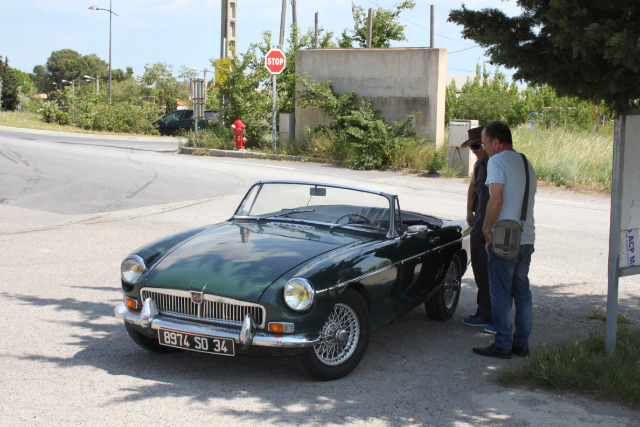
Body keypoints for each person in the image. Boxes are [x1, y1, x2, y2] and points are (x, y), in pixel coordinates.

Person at [473, 121, 536, 359]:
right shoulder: (526, 162)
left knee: (499, 291)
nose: (484, 148)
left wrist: (487, 228)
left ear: (496, 142)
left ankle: (502, 344)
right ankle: (521, 345)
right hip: (527, 234)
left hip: (505, 236)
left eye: (485, 142)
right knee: (522, 292)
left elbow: (495, 199)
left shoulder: (497, 161)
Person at [461, 127, 494, 333]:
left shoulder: (496, 164)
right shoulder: (479, 165)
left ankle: (494, 316)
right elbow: (472, 186)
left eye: (476, 146)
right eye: (471, 147)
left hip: (491, 226)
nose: (473, 150)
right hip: (479, 223)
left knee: (494, 273)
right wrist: (469, 212)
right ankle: (483, 312)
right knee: (480, 270)